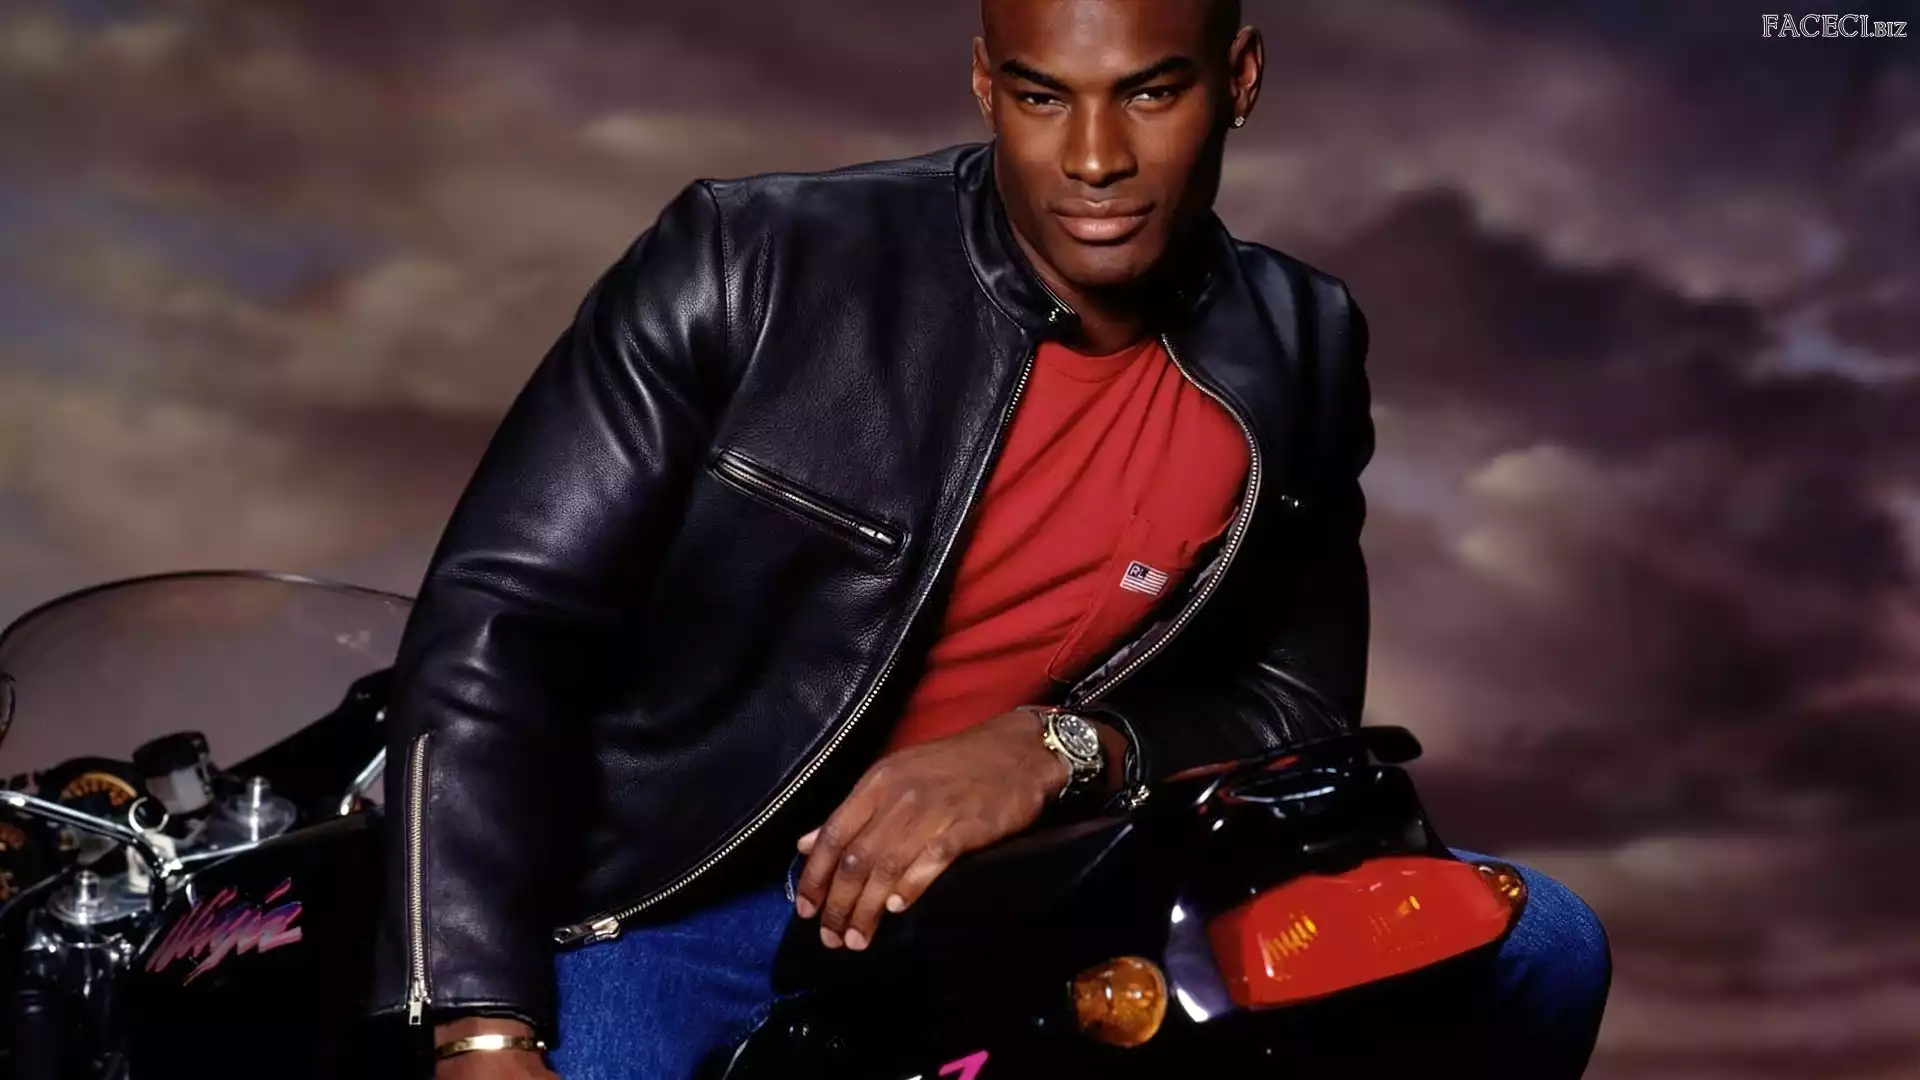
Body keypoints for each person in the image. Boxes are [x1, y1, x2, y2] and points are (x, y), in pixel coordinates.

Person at [370, 0, 1612, 1076]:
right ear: (983, 82)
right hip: (679, 895)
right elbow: (500, 621)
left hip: (1032, 888)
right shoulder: (751, 260)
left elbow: (1295, 703)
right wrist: (480, 1023)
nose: (1094, 159)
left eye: (1150, 93)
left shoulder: (1301, 341)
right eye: (1041, 96)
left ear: (1238, 80)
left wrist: (1054, 750)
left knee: (1541, 945)